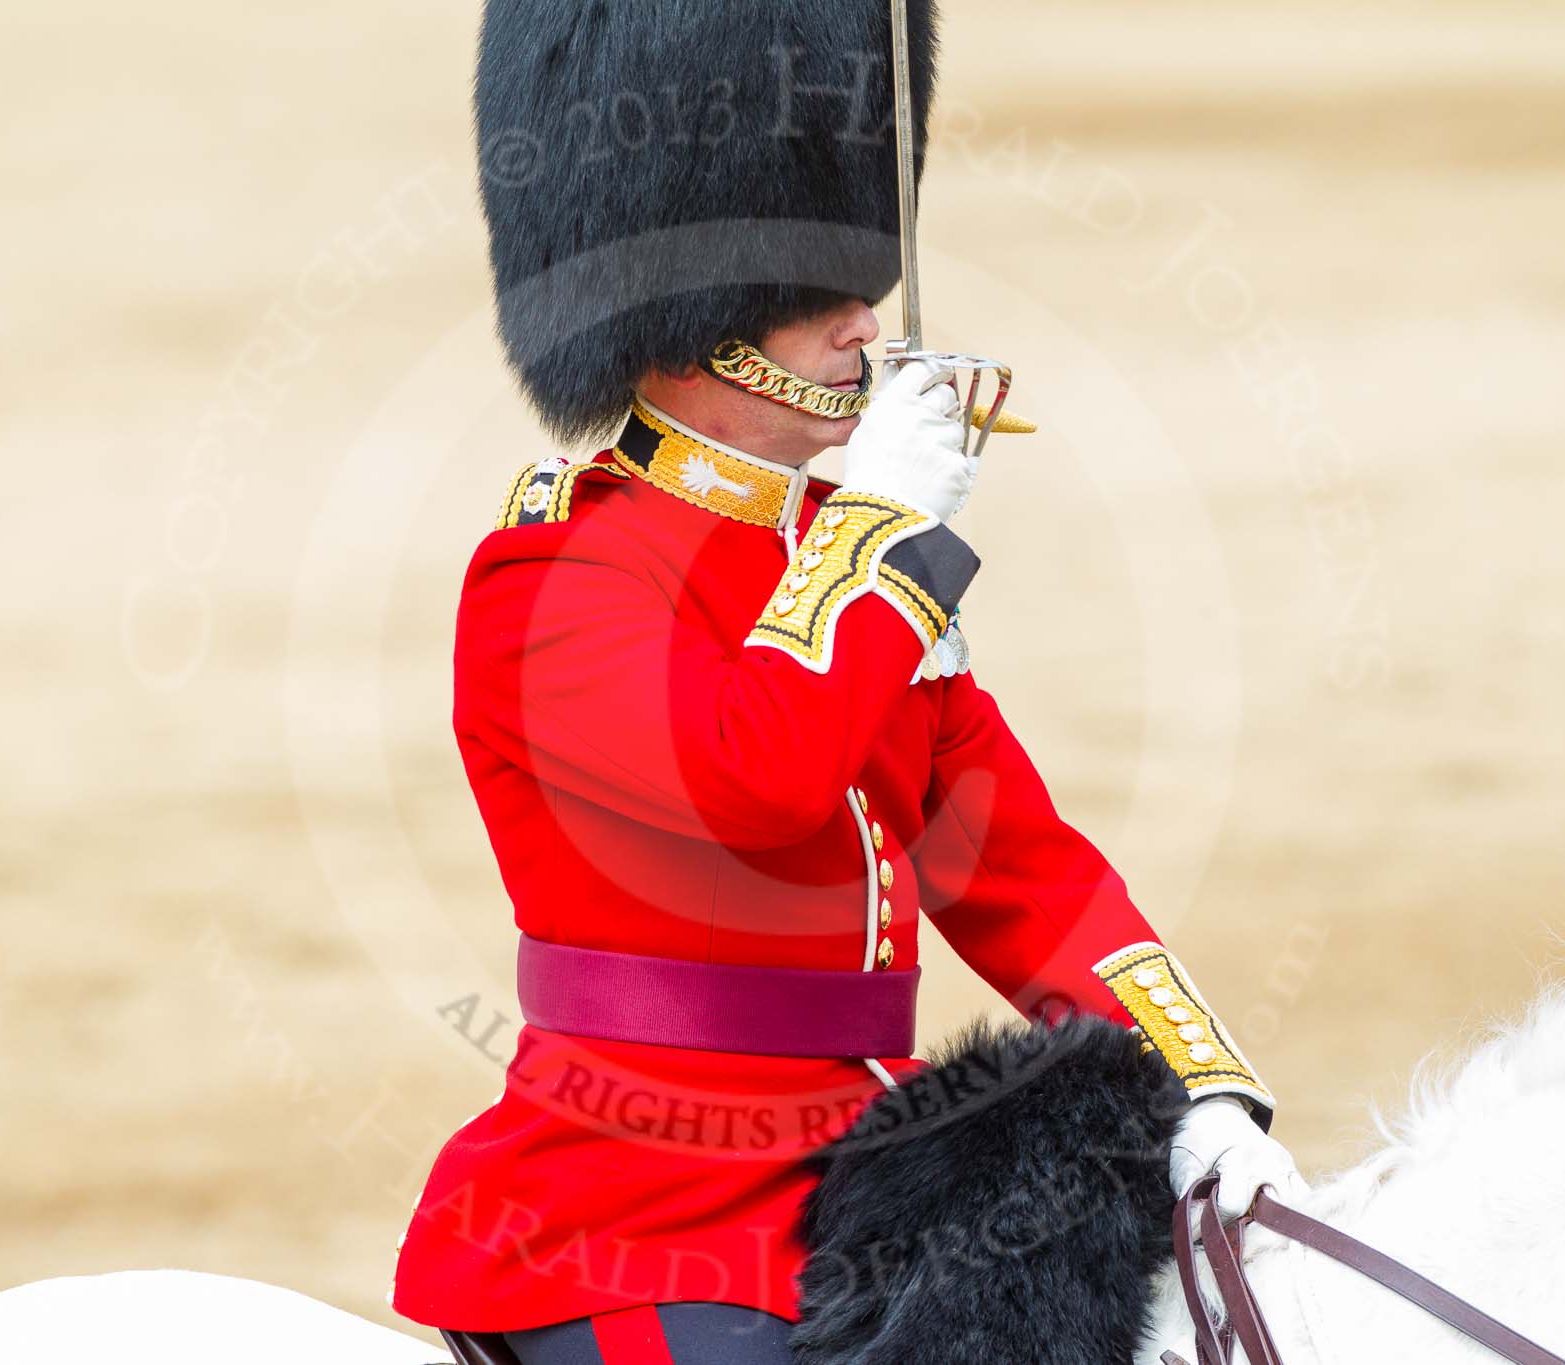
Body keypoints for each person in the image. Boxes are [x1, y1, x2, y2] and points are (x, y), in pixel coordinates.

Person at [392, 3, 1304, 1361]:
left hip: (868, 1166)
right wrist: (880, 531)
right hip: (637, 1199)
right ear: (686, 324)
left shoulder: (840, 566)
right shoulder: (556, 575)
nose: (861, 324)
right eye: (808, 293)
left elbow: (1019, 864)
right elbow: (753, 780)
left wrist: (1199, 1083)